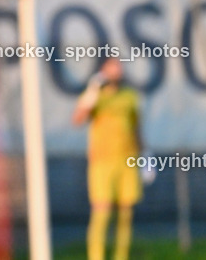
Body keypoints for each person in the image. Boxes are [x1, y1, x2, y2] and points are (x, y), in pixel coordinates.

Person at [71, 58, 142, 260]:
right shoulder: (95, 96)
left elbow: (136, 127)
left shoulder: (130, 96)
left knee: (126, 214)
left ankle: (122, 256)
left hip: (127, 161)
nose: (117, 70)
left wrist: (145, 155)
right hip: (102, 163)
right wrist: (93, 91)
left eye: (119, 66)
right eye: (112, 66)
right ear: (103, 70)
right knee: (102, 213)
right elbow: (77, 119)